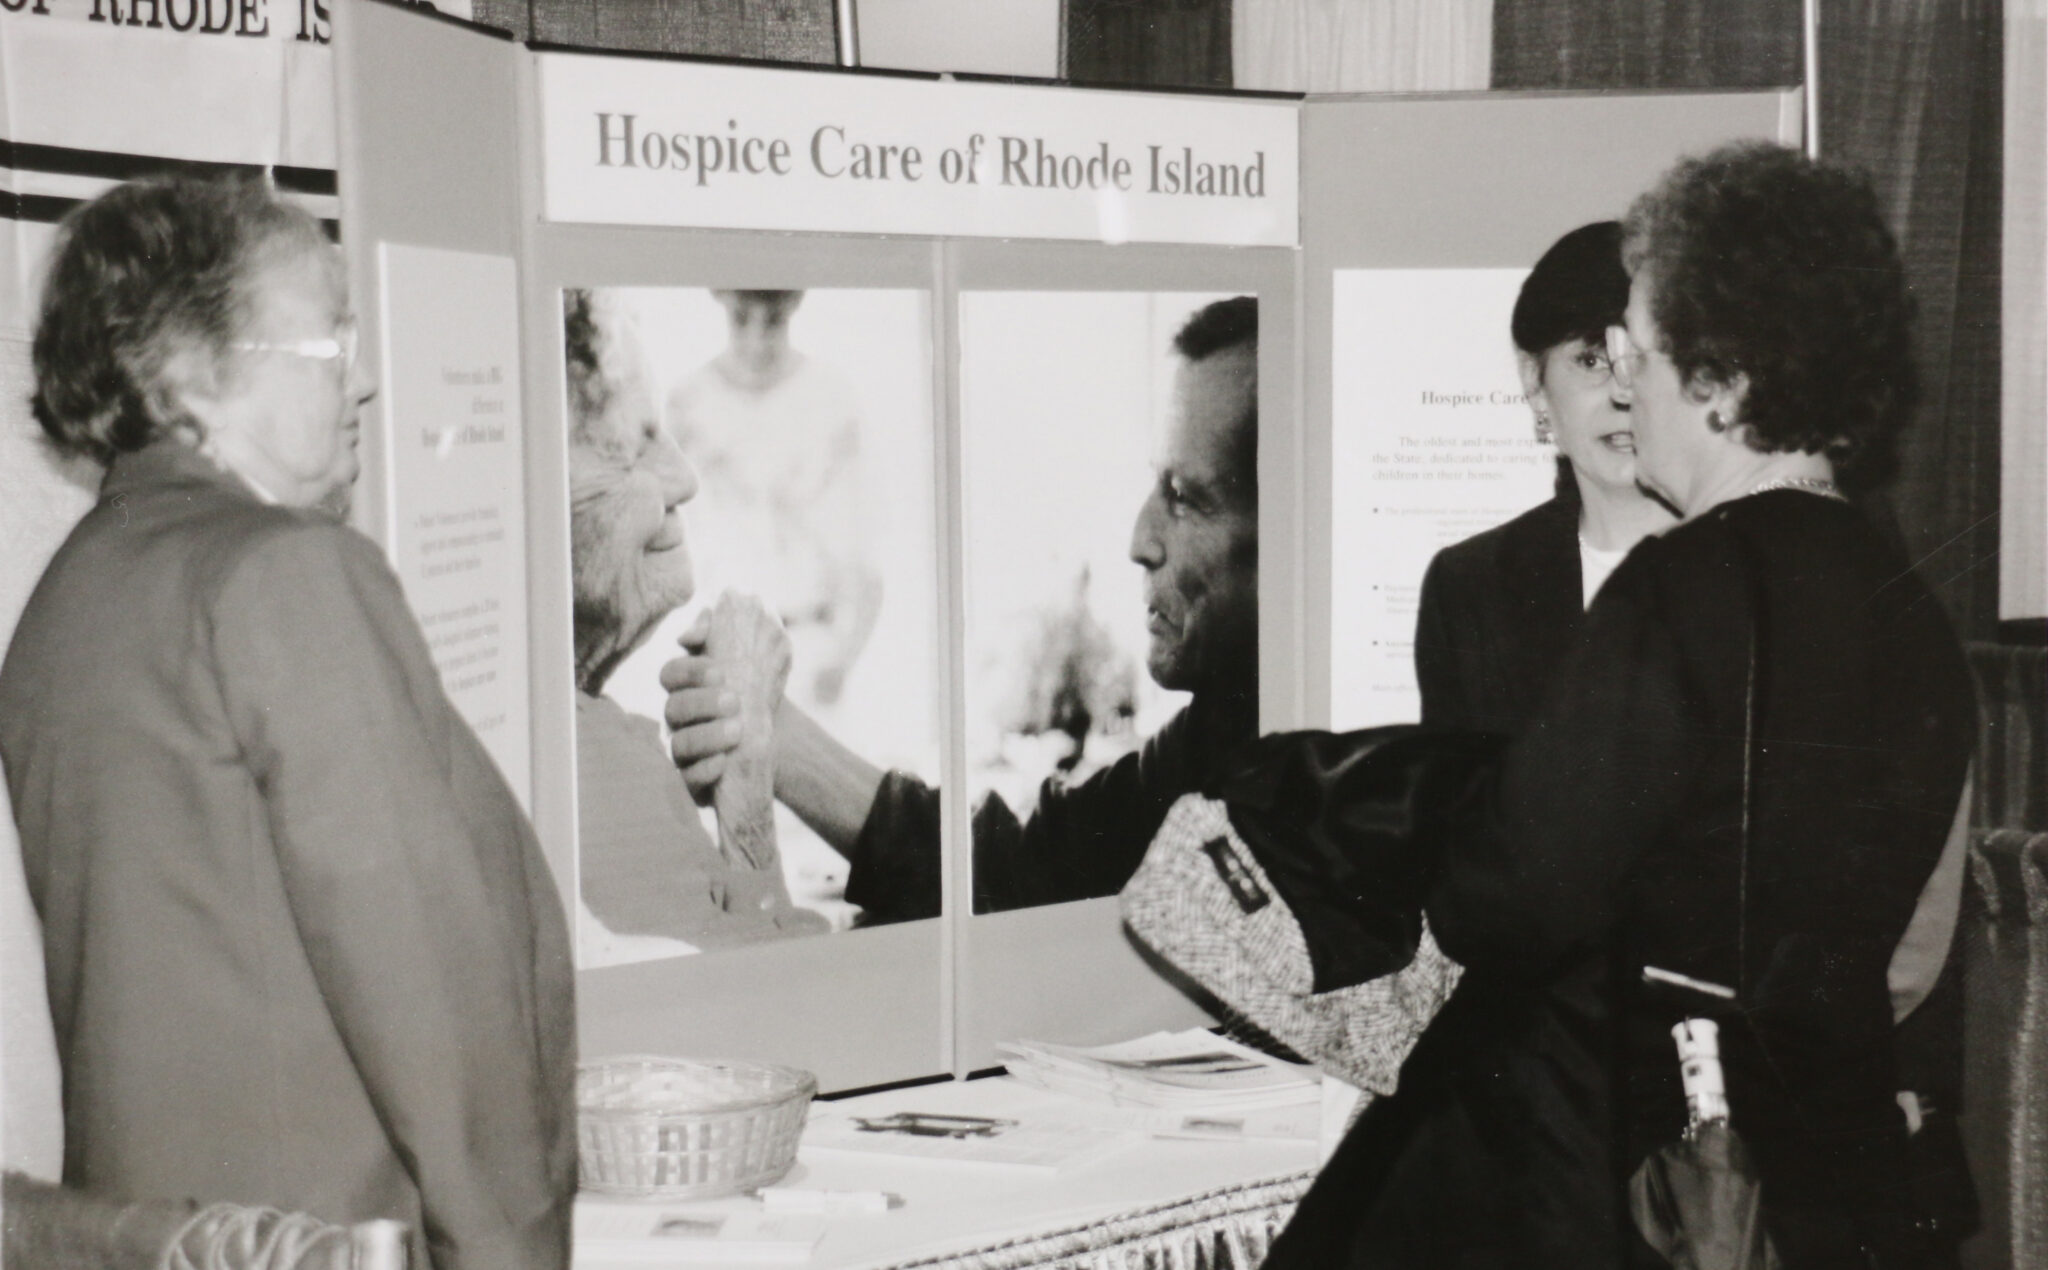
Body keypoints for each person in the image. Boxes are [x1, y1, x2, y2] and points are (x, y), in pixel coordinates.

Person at [1263, 143, 1973, 1269]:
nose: (1623, 384)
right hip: (1833, 1186)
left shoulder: (1682, 589)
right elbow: (1915, 942)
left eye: (1637, 353)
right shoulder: (1915, 615)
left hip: (1644, 1189)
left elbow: (1504, 898)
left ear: (1726, 379)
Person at [0, 176, 575, 1270]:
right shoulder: (287, 575)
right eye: (328, 347)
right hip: (324, 1238)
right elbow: (428, 993)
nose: (361, 387)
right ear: (192, 377)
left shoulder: (70, 594)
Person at [662, 295, 1261, 921]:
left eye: (1186, 496)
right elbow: (1028, 869)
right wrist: (774, 733)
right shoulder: (1215, 733)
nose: (1140, 541)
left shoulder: (1320, 771)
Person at [566, 288, 826, 955]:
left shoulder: (589, 736)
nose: (684, 478)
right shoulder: (585, 770)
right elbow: (778, 1011)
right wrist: (745, 789)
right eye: (631, 443)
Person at [1413, 221, 1676, 734]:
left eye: (1640, 360)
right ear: (1535, 383)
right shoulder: (1470, 586)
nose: (1623, 393)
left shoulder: (1757, 563)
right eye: (1591, 359)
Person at [666, 289, 883, 709]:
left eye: (773, 321)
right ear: (721, 303)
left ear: (795, 306)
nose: (755, 340)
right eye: (741, 318)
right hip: (720, 650)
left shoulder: (831, 399)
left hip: (811, 645)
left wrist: (845, 659)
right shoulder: (688, 403)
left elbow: (866, 551)